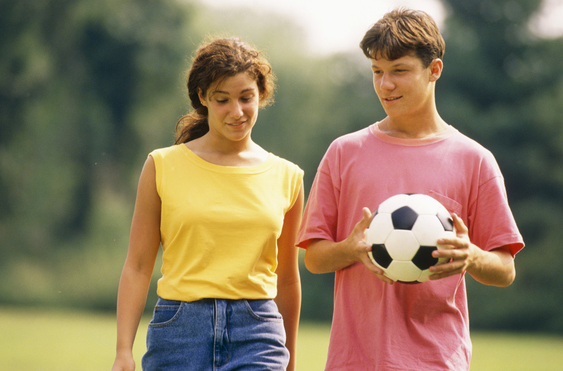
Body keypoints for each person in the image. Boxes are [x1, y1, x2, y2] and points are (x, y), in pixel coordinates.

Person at [297, 8, 524, 371]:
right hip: (354, 361)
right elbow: (315, 259)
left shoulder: (474, 160)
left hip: (436, 360)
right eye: (377, 71)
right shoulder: (344, 153)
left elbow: (505, 269)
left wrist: (471, 256)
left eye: (399, 70)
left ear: (434, 70)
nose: (385, 84)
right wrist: (351, 249)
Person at [112, 37, 304, 371]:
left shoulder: (288, 177)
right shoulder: (162, 166)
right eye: (222, 100)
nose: (237, 111)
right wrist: (123, 351)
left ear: (261, 93)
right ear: (202, 97)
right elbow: (138, 266)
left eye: (246, 97)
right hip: (179, 333)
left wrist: (290, 360)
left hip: (258, 334)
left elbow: (287, 278)